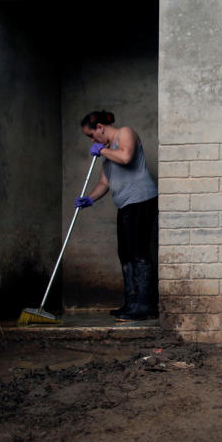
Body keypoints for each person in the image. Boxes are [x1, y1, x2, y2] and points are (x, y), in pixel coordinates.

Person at [75, 111, 159, 320]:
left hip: (141, 200)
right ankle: (131, 303)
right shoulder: (105, 156)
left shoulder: (125, 133)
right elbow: (105, 183)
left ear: (101, 127)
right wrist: (90, 199)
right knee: (125, 253)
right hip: (125, 205)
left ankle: (145, 305)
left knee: (139, 252)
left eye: (91, 135)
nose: (92, 141)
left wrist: (102, 150)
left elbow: (126, 156)